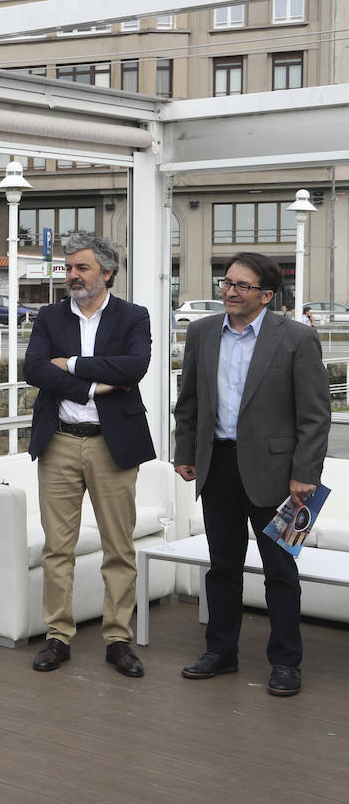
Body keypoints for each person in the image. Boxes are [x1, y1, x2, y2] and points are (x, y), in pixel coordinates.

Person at [173, 252, 329, 697]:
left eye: (242, 286)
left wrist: (305, 474)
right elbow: (190, 402)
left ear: (266, 295)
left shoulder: (297, 338)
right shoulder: (202, 332)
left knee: (281, 570)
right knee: (222, 565)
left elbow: (315, 416)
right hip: (217, 466)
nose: (230, 291)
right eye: (227, 282)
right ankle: (220, 652)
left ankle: (285, 662)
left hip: (281, 476)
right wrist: (186, 452)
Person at [23, 232, 155, 678]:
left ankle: (118, 638)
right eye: (68, 267)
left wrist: (73, 364)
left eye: (81, 268)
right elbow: (34, 370)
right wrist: (95, 383)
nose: (71, 276)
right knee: (57, 547)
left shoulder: (133, 316)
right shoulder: (49, 315)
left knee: (119, 547)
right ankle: (57, 636)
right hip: (58, 441)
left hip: (111, 444)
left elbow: (134, 368)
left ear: (107, 272)